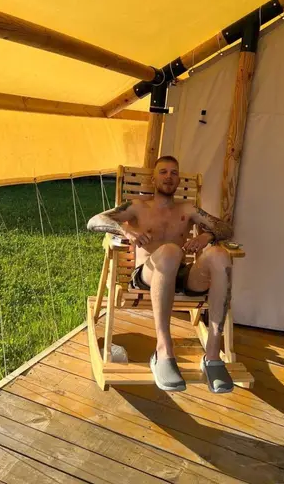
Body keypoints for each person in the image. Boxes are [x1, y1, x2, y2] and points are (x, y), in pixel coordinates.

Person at [87, 155, 236, 393]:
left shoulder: (188, 209)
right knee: (170, 251)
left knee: (220, 256)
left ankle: (212, 357)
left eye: (174, 173)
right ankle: (163, 351)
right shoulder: (137, 207)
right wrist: (126, 231)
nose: (169, 177)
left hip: (181, 275)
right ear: (153, 179)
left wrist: (207, 236)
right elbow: (95, 221)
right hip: (147, 275)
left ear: (178, 180)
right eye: (163, 172)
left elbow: (226, 228)